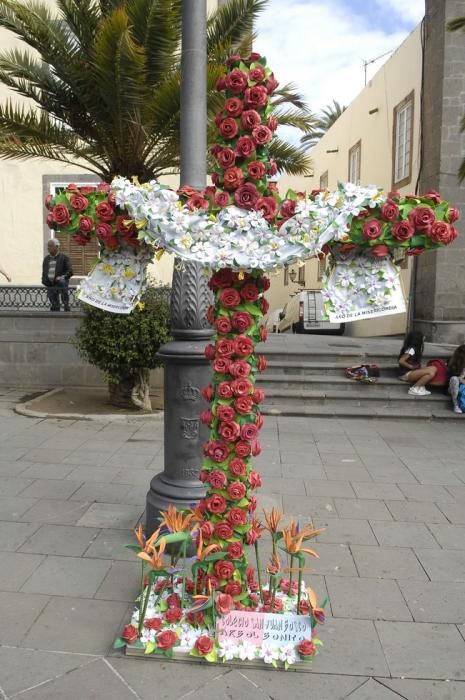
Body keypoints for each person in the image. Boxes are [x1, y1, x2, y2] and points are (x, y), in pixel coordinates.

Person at [398, 331, 438, 396]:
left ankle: (420, 387)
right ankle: (414, 388)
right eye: (422, 337)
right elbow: (401, 361)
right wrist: (411, 366)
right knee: (430, 372)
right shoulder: (411, 349)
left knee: (433, 369)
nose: (424, 339)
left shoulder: (415, 349)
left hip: (412, 372)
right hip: (406, 374)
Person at [42, 238, 73, 311]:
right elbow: (44, 272)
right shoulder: (46, 259)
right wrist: (44, 280)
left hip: (60, 282)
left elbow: (70, 271)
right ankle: (55, 306)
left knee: (61, 283)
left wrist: (63, 277)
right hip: (50, 283)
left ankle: (66, 304)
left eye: (50, 246)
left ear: (56, 247)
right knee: (51, 294)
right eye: (48, 246)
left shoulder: (64, 257)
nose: (48, 248)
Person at [447, 345, 465, 414]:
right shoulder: (452, 363)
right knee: (454, 379)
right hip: (454, 388)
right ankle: (456, 405)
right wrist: (459, 378)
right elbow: (449, 378)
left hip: (463, 388)